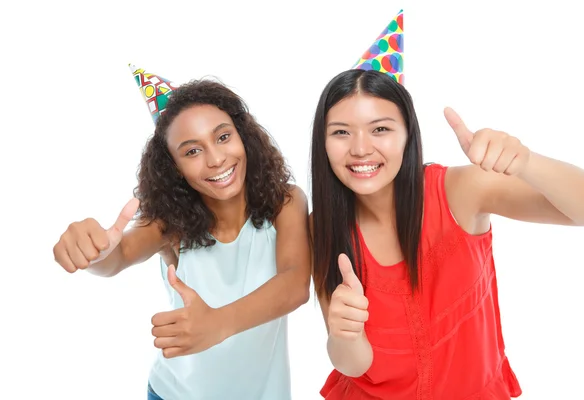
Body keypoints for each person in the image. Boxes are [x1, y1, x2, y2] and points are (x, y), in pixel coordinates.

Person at [309, 68, 584, 399]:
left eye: (380, 129)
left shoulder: (460, 191)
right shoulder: (321, 225)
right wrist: (345, 335)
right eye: (341, 132)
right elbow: (353, 366)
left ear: (409, 133)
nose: (360, 149)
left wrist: (525, 162)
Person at [52, 78, 311, 400]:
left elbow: (294, 284)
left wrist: (216, 324)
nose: (215, 159)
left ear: (244, 137)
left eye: (223, 137)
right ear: (174, 168)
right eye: (192, 151)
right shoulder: (169, 223)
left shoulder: (285, 203)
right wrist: (95, 253)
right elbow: (120, 253)